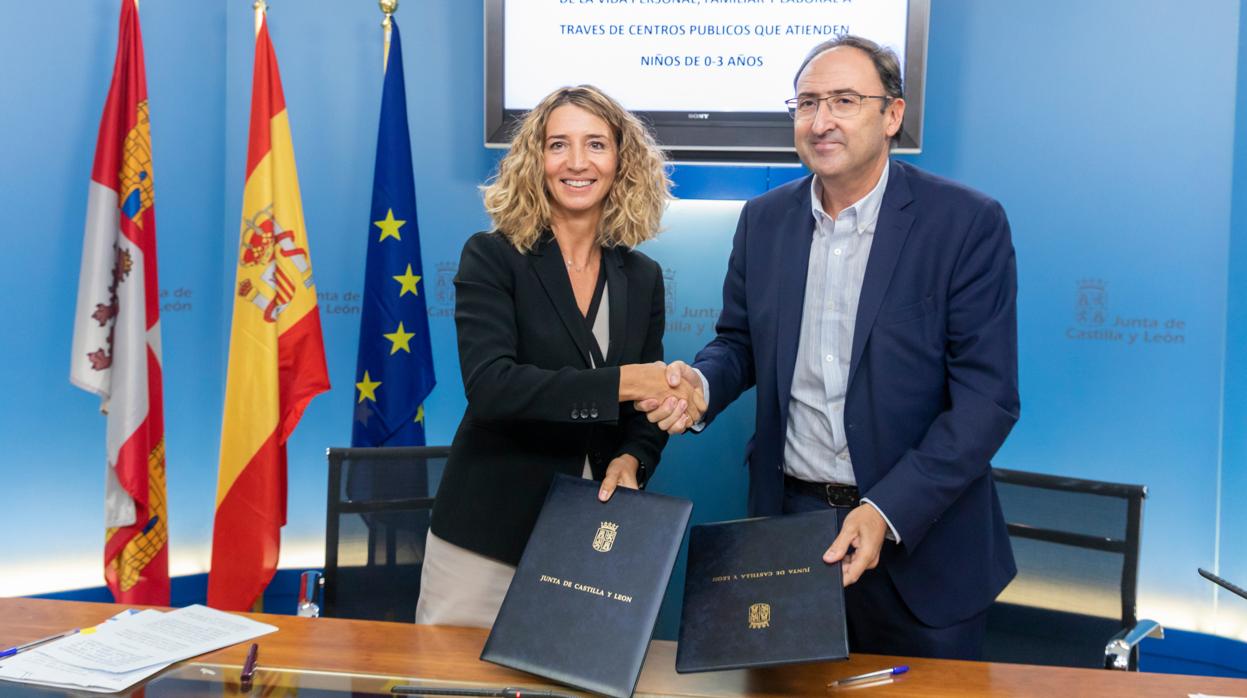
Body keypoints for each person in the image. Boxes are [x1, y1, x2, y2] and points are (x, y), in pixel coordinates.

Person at [640, 36, 1019, 659]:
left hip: (922, 546)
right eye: (808, 102)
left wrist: (886, 510)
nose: (821, 121)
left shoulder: (965, 224)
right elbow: (739, 342)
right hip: (791, 534)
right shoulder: (763, 220)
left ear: (891, 115)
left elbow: (987, 401)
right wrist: (702, 386)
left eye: (844, 100)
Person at [416, 85, 704, 627]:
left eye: (596, 144)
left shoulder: (641, 277)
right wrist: (626, 383)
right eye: (558, 145)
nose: (577, 162)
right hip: (485, 536)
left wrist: (632, 459)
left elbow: (644, 415)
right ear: (535, 160)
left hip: (590, 539)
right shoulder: (493, 256)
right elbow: (493, 387)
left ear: (621, 162)